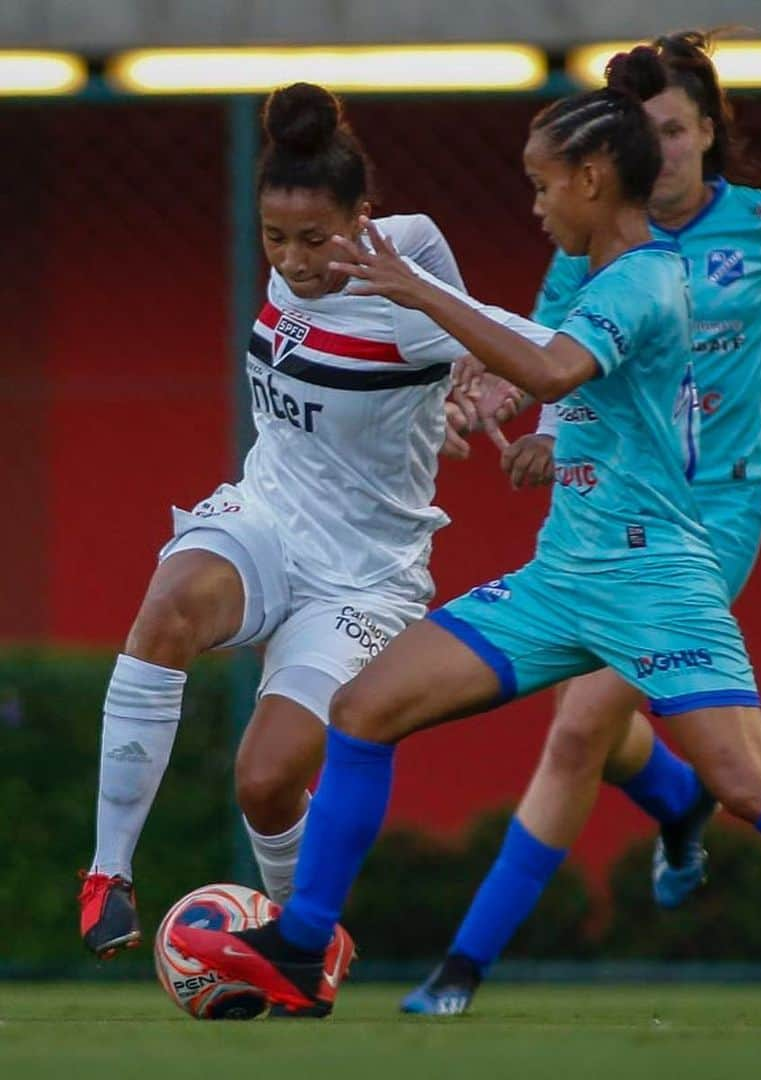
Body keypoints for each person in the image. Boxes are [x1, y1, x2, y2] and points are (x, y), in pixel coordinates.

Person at [169, 50, 761, 1027]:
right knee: (363, 709)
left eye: (540, 186)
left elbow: (558, 369)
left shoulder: (645, 280)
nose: (534, 207)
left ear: (591, 180)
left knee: (747, 783)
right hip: (564, 577)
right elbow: (551, 381)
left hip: (656, 577)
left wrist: (420, 295)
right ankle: (303, 943)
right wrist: (496, 402)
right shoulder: (594, 274)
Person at [402, 28, 761, 1015]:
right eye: (646, 131)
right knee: (598, 727)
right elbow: (546, 368)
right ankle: (675, 799)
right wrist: (518, 422)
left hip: (710, 522)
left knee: (580, 724)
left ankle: (461, 970)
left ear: (710, 131)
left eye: (676, 128)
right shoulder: (589, 252)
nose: (663, 148)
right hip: (614, 519)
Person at [76, 82, 542, 991]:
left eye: (315, 240)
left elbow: (561, 351)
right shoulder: (399, 236)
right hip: (266, 518)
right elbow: (442, 262)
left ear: (358, 223)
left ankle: (301, 944)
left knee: (265, 781)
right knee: (167, 609)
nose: (292, 263)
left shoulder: (402, 302)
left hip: (365, 580)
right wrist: (468, 358)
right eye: (274, 239)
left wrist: (503, 386)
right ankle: (109, 872)